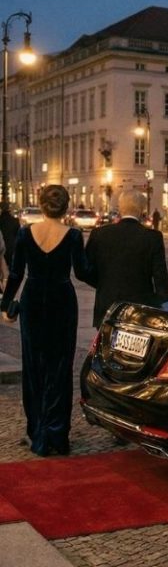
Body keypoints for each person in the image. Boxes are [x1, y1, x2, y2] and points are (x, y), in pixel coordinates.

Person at [0, 185, 94, 457]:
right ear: (66, 207)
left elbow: (16, 274)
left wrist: (7, 305)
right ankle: (57, 433)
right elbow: (83, 271)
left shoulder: (25, 233)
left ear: (40, 205)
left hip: (33, 301)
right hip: (62, 300)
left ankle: (37, 431)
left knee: (34, 367)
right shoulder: (74, 235)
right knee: (61, 367)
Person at [85, 189, 168, 330]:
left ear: (120, 208)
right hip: (140, 306)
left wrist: (103, 283)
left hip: (107, 304)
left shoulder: (100, 234)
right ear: (142, 209)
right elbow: (160, 277)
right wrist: (163, 304)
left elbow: (85, 269)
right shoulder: (152, 237)